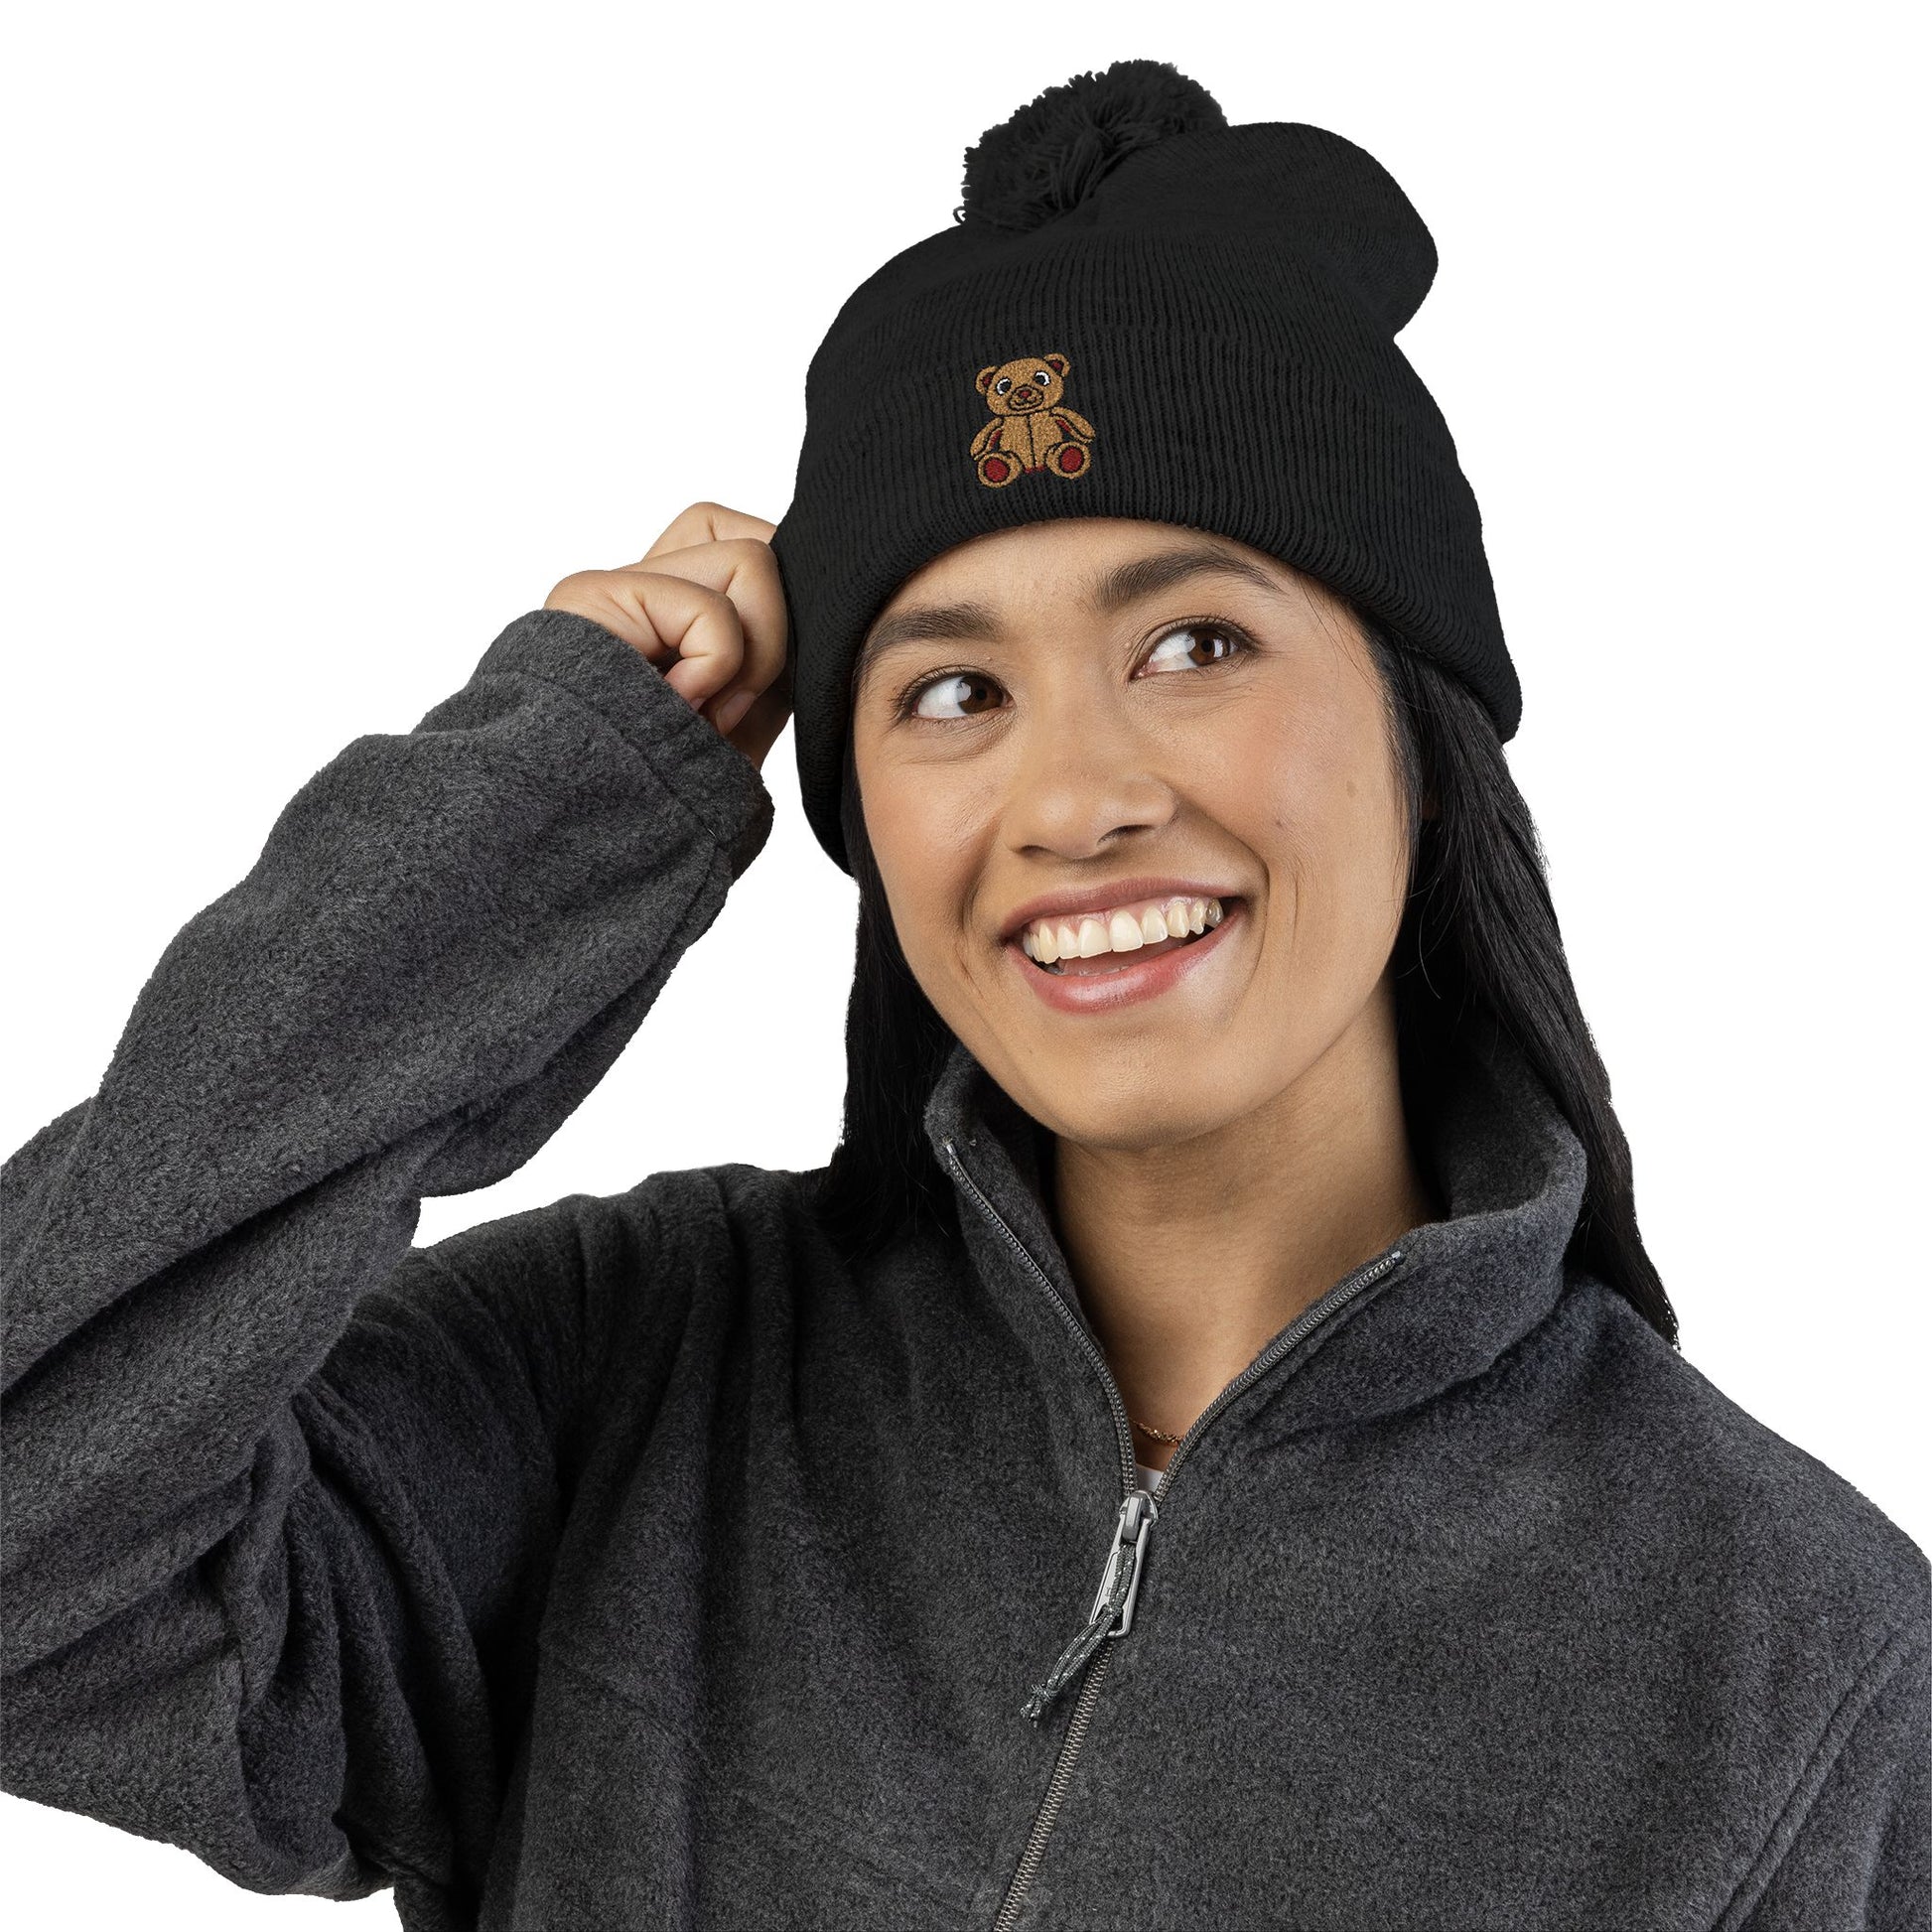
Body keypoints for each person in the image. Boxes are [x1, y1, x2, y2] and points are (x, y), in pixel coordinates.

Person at [3, 58, 1926, 1932]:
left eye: (1194, 643)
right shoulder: (633, 1373)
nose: (1073, 798)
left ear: (1419, 733)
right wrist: (552, 802)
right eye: (949, 689)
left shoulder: (1795, 1664)